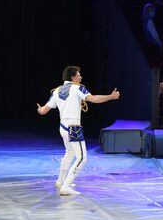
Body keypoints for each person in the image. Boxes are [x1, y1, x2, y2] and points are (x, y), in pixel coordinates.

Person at [36, 66, 120, 196]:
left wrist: (39, 109)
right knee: (82, 158)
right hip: (73, 128)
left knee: (69, 153)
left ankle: (60, 180)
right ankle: (66, 186)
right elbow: (93, 99)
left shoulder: (56, 91)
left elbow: (43, 111)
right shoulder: (78, 88)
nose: (81, 77)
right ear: (73, 77)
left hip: (63, 127)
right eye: (79, 75)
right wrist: (111, 96)